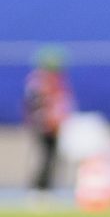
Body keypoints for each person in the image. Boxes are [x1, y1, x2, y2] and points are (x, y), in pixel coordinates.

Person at [23, 48, 73, 191]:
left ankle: (46, 183)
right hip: (43, 124)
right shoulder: (38, 82)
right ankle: (40, 184)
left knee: (52, 155)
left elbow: (62, 103)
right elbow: (34, 103)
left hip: (53, 124)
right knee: (45, 154)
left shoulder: (56, 82)